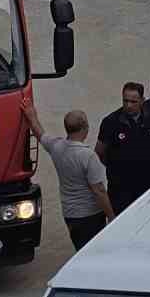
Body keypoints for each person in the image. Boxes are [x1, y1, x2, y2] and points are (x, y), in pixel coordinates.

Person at [25, 104, 114, 250]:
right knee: (94, 253)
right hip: (90, 215)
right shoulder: (88, 156)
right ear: (85, 127)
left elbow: (39, 133)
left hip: (70, 214)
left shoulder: (56, 147)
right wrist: (111, 215)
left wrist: (31, 116)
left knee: (80, 249)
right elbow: (99, 190)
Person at [97, 82, 150, 213]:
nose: (128, 105)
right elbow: (99, 152)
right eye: (125, 101)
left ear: (142, 100)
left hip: (146, 184)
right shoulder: (110, 122)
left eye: (133, 101)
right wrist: (116, 167)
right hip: (120, 188)